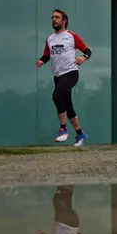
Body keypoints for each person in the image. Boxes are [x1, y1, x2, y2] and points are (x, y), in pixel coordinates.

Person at [36, 9, 92, 147]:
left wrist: (83, 58)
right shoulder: (50, 39)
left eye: (57, 17)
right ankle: (80, 134)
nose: (54, 20)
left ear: (64, 20)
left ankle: (63, 129)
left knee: (57, 96)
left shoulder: (72, 36)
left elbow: (87, 51)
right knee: (67, 106)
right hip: (58, 76)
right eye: (52, 18)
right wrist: (41, 60)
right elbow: (47, 55)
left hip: (71, 73)